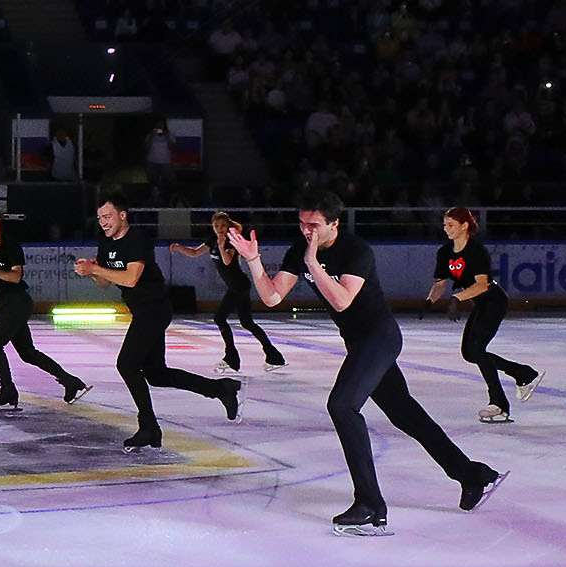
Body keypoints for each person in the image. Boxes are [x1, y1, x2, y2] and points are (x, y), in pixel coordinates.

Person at [230, 191, 505, 535]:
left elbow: (343, 301)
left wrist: (313, 263)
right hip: (360, 343)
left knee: (342, 406)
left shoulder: (356, 250)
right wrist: (254, 261)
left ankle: (371, 506)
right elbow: (272, 296)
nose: (306, 231)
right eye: (302, 224)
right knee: (407, 415)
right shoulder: (300, 250)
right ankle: (473, 474)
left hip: (380, 337)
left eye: (314, 225)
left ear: (334, 223)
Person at [75, 194, 238, 450]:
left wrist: (96, 270)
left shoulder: (137, 239)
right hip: (142, 311)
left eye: (107, 217)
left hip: (155, 308)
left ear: (122, 215)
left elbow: (130, 278)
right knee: (156, 374)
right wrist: (93, 271)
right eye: (99, 218)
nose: (103, 222)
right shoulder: (106, 244)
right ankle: (221, 389)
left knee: (127, 365)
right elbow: (106, 283)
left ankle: (149, 427)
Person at [426, 207, 538, 423]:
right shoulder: (445, 252)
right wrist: (429, 301)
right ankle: (522, 373)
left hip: (494, 301)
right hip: (481, 304)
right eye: (444, 225)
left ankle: (499, 404)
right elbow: (440, 283)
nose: (446, 229)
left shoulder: (476, 251)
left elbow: (482, 285)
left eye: (450, 225)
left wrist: (457, 299)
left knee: (476, 350)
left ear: (464, 225)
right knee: (470, 353)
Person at [0, 203, 87, 408]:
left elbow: (16, 277)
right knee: (27, 353)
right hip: (7, 304)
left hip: (19, 302)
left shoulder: (11, 246)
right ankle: (69, 381)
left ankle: (8, 389)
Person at [172, 211, 286, 375]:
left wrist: (221, 244)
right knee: (247, 323)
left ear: (229, 226)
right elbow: (196, 253)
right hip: (236, 286)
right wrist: (179, 248)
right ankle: (273, 356)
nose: (219, 229)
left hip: (239, 285)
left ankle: (232, 357)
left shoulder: (231, 241)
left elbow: (227, 261)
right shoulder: (212, 239)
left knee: (220, 318)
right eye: (216, 226)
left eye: (223, 226)